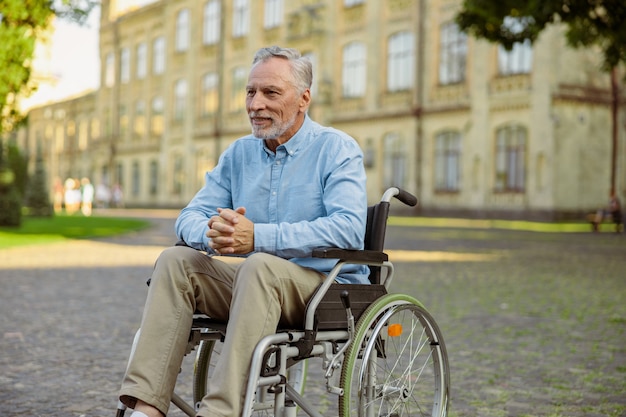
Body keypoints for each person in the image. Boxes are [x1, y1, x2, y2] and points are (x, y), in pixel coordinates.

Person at [118, 46, 368, 417]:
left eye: (270, 93)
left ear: (303, 99)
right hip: (255, 285)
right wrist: (212, 234)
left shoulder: (336, 149)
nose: (255, 104)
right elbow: (190, 216)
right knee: (176, 261)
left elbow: (347, 229)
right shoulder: (239, 154)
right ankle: (145, 410)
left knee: (260, 265)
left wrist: (258, 238)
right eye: (250, 92)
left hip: (325, 289)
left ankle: (218, 412)